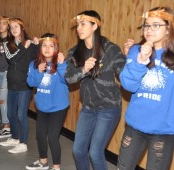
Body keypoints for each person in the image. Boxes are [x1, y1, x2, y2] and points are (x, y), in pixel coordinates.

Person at [64, 10, 125, 170]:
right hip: (89, 108)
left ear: (95, 26)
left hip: (109, 108)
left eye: (83, 24)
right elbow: (68, 78)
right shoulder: (74, 52)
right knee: (78, 150)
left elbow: (125, 76)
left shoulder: (110, 49)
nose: (79, 28)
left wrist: (131, 58)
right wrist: (83, 69)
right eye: (78, 24)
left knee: (95, 152)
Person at [117, 7, 174, 170]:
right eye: (146, 25)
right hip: (136, 125)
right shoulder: (136, 50)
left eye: (156, 25)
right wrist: (141, 60)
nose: (149, 30)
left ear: (169, 27)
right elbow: (128, 85)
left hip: (164, 129)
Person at [26, 33, 69, 170]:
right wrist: (38, 71)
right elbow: (31, 82)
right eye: (44, 45)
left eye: (51, 46)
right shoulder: (34, 64)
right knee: (40, 135)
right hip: (42, 106)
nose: (47, 49)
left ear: (56, 48)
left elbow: (67, 79)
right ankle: (43, 162)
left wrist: (62, 65)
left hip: (58, 106)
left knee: (52, 137)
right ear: (40, 47)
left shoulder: (62, 63)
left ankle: (56, 167)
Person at [0, 18, 39, 154]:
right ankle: (15, 138)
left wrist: (37, 45)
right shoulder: (7, 44)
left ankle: (23, 143)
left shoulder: (30, 43)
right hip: (12, 84)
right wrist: (24, 47)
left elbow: (38, 59)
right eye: (11, 28)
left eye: (16, 27)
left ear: (22, 28)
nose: (14, 29)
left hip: (25, 85)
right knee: (11, 113)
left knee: (21, 114)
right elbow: (11, 59)